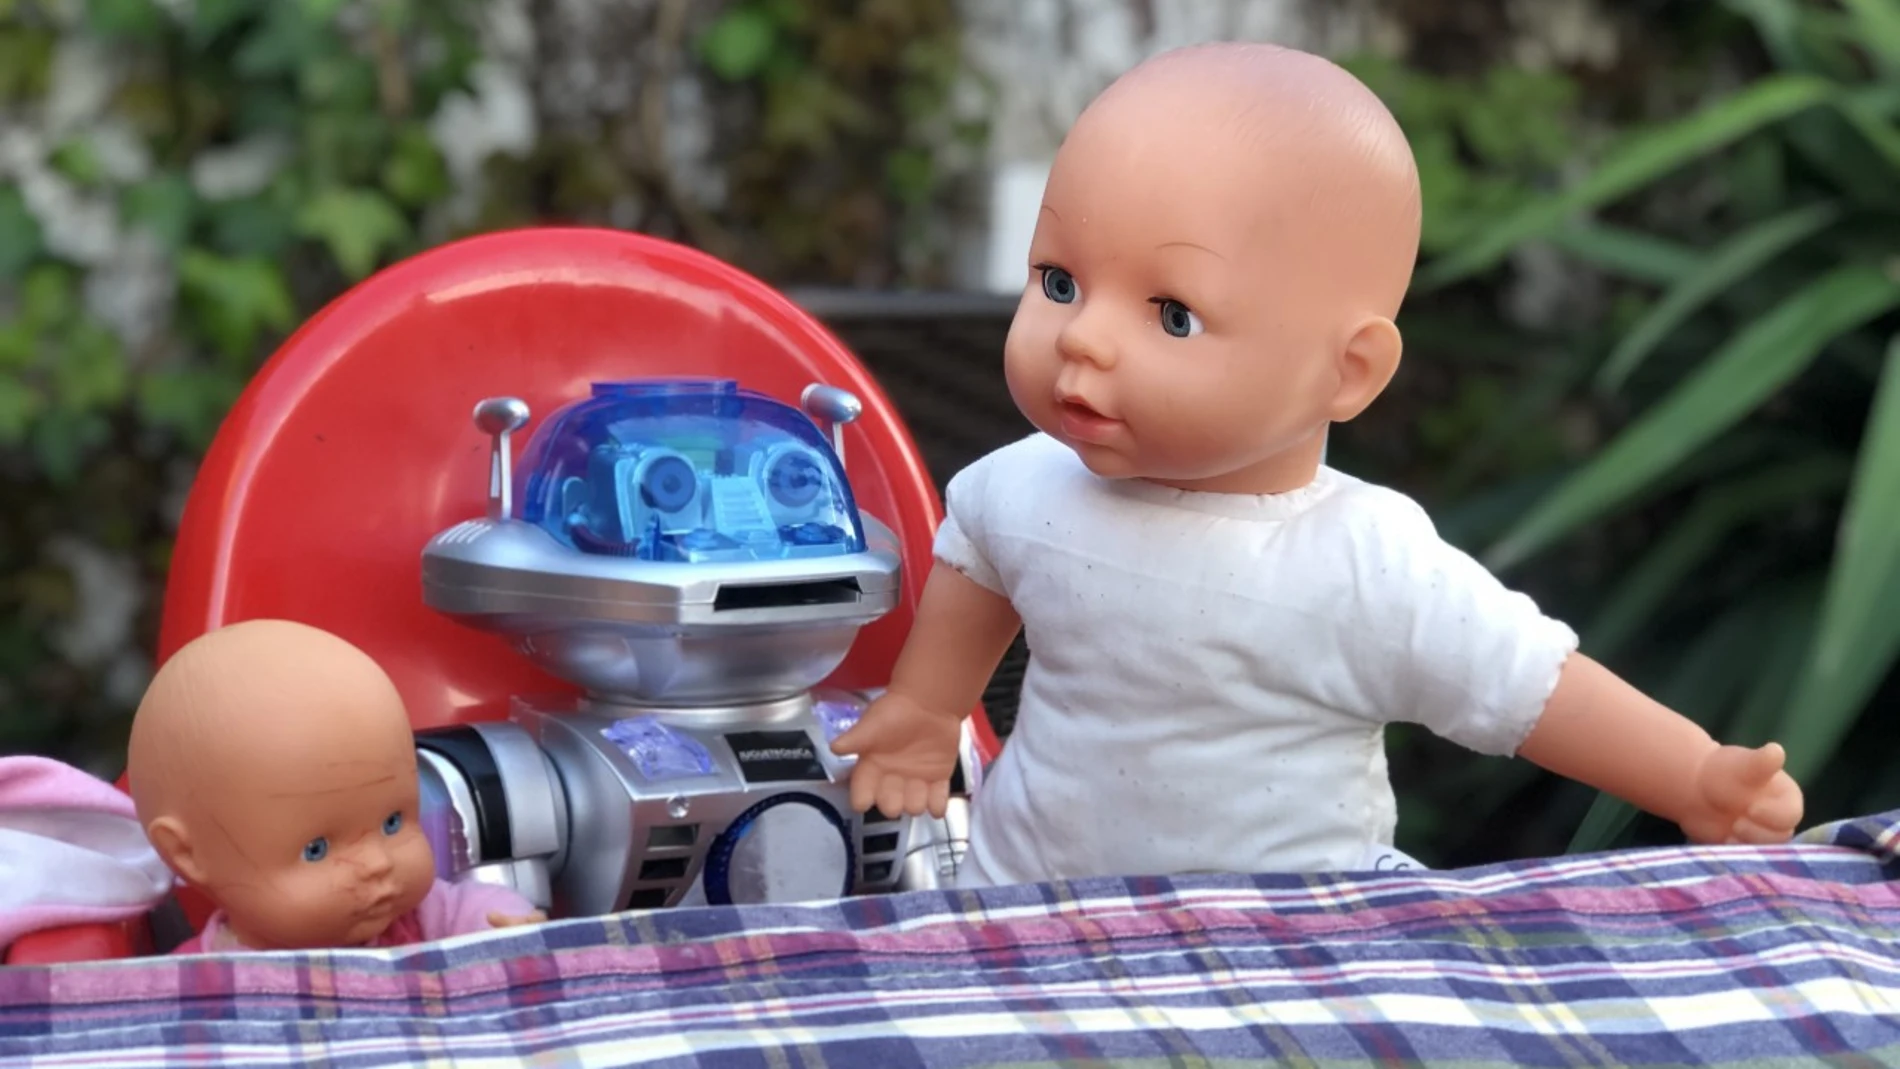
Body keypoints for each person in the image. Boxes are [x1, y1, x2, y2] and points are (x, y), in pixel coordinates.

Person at [830, 41, 1803, 888]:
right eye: (1059, 281)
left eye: (1172, 314)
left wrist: (1691, 775)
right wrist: (924, 711)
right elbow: (977, 560)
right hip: (1035, 906)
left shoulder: (1361, 563)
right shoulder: (1030, 481)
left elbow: (1530, 685)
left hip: (1294, 939)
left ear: (1348, 371)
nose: (1081, 339)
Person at [127, 619, 545, 952]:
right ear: (188, 853)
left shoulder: (420, 917)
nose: (377, 864)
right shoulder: (196, 986)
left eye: (393, 822)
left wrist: (506, 926)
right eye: (317, 849)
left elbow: (476, 909)